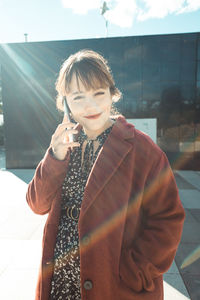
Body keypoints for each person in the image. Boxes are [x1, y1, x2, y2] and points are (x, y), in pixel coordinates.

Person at [26, 49, 185, 300]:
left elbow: (168, 218)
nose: (90, 105)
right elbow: (37, 204)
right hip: (61, 280)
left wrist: (136, 271)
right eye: (78, 97)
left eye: (99, 93)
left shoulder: (142, 149)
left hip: (113, 285)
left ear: (112, 93)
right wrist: (54, 156)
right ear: (65, 102)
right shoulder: (64, 143)